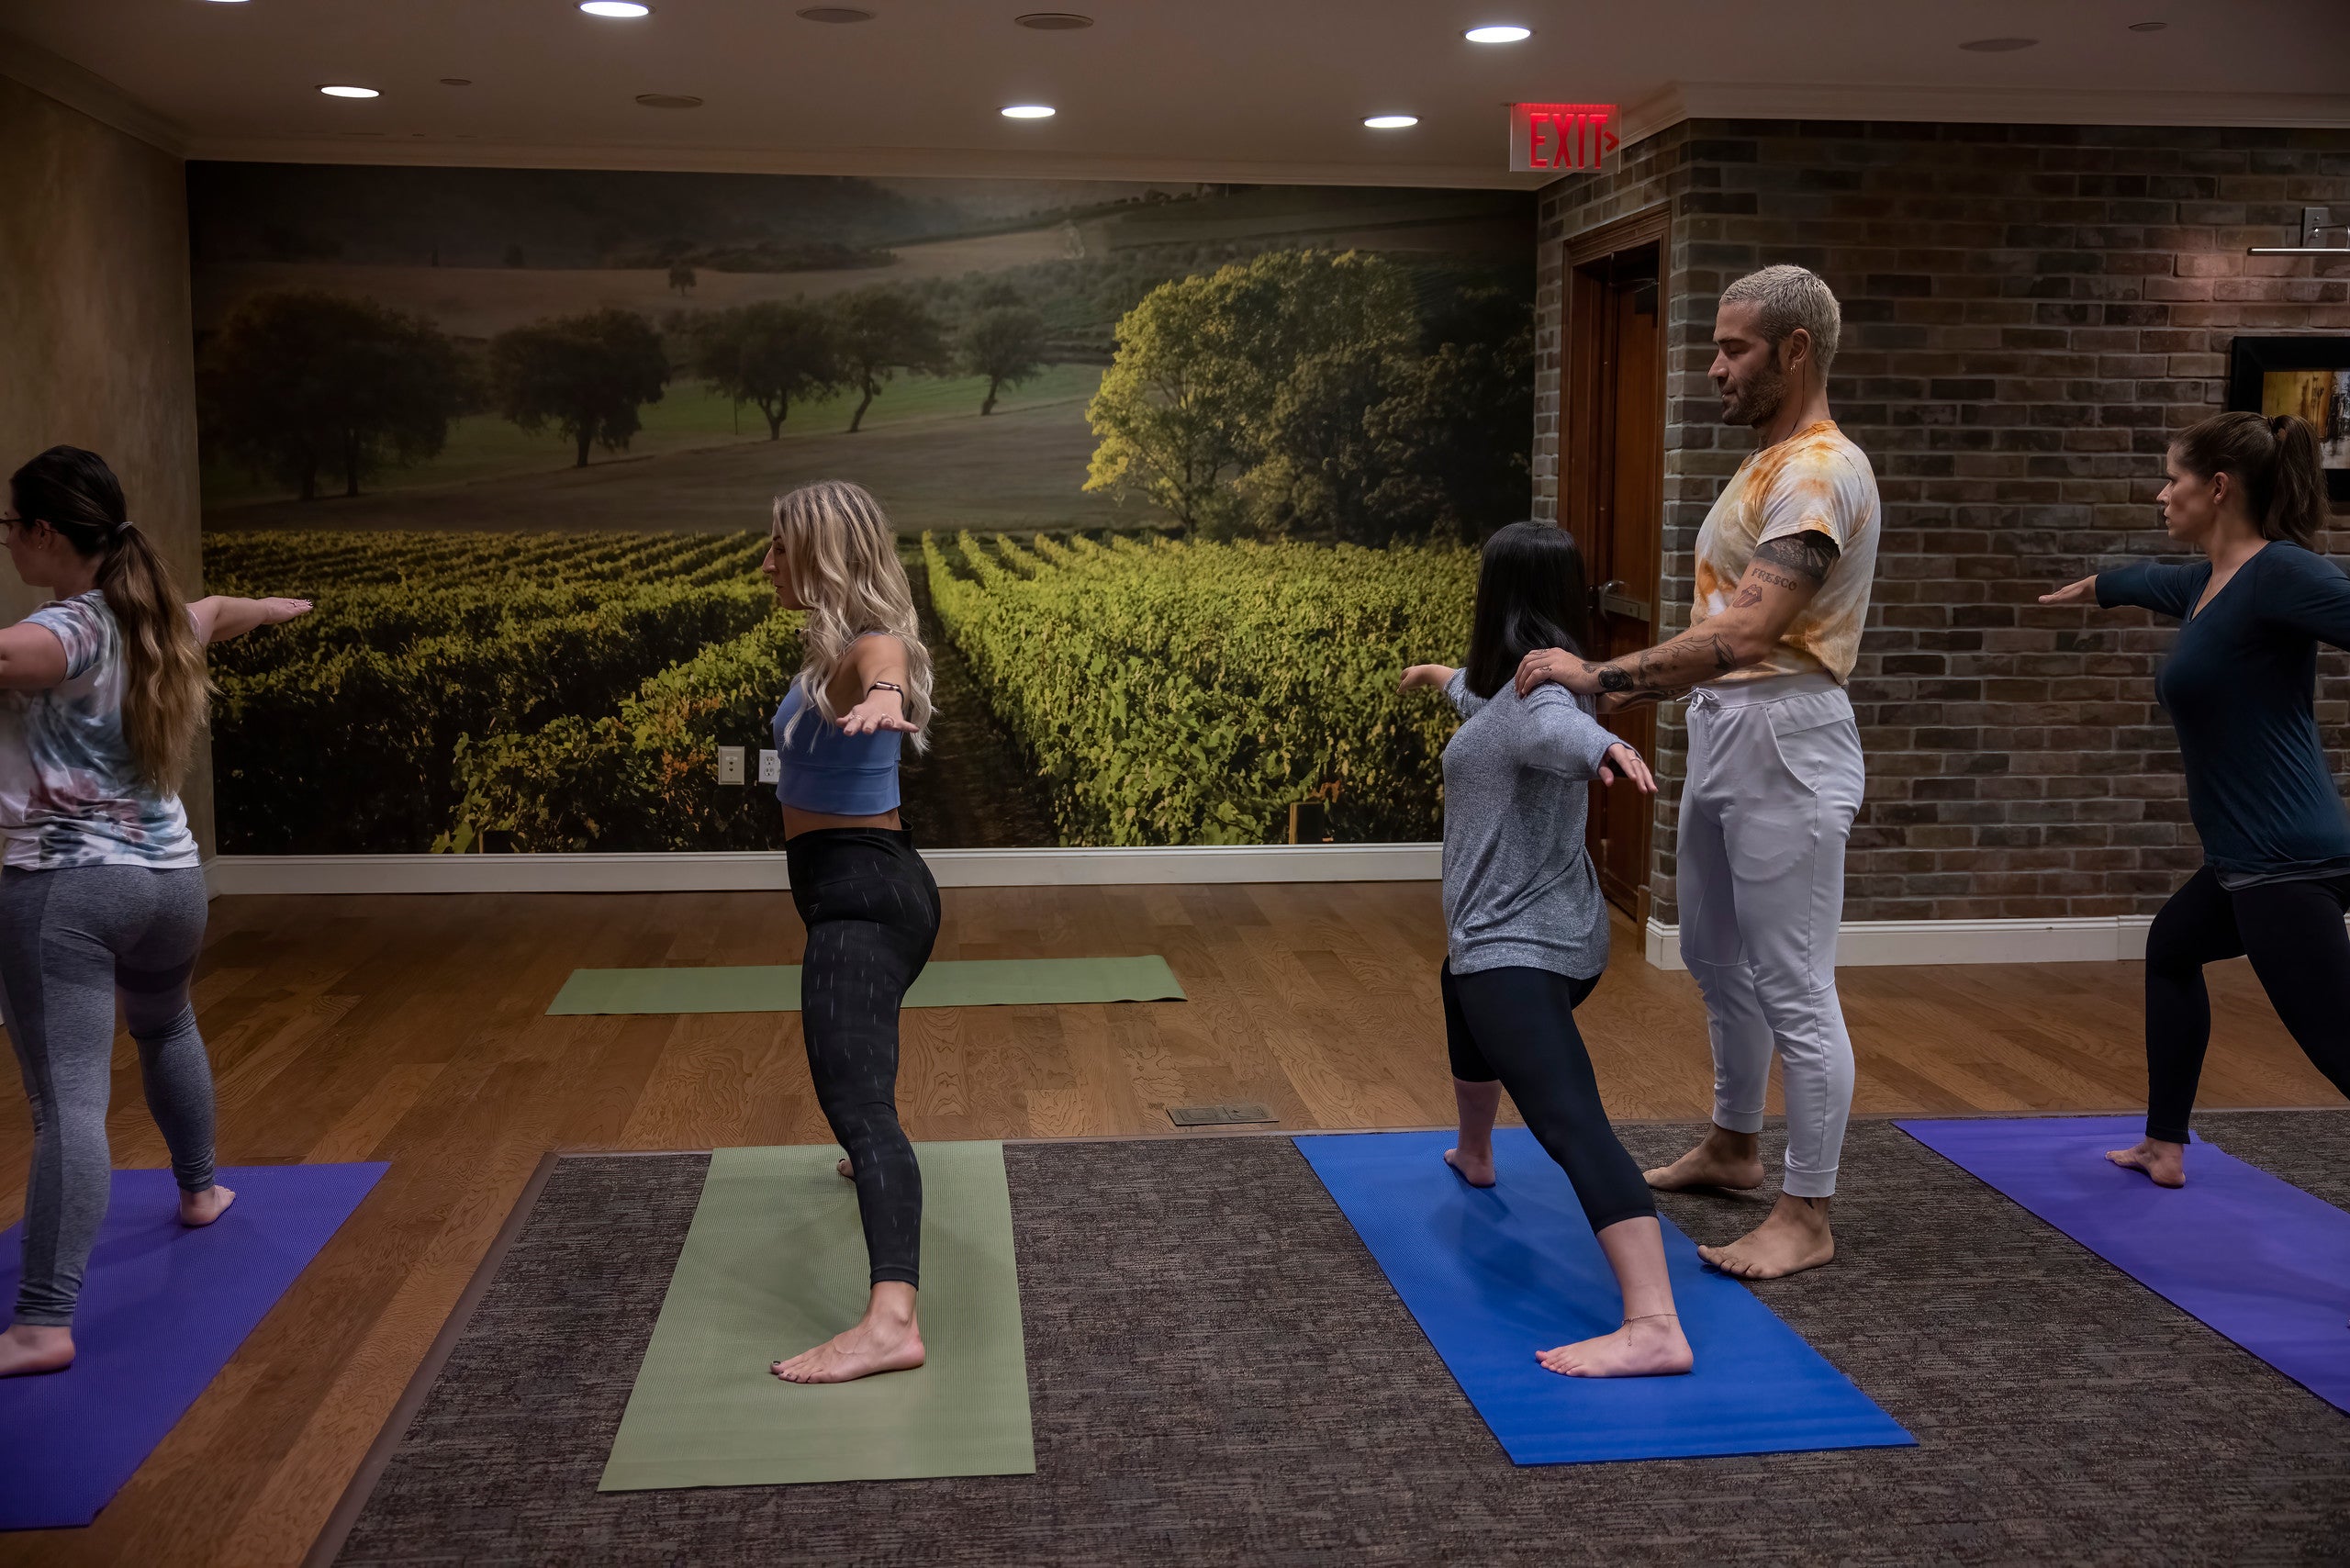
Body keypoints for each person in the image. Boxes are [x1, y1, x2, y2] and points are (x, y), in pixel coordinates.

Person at [1515, 263, 1880, 1281]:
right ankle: (1733, 1144)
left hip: (1785, 733)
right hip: (1728, 728)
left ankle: (1806, 1211)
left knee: (1794, 983)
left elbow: (1752, 627)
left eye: (1734, 349)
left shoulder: (1816, 472)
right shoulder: (1767, 461)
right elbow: (1725, 630)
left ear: (1794, 350)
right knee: (1718, 957)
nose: (1713, 368)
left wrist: (1601, 676)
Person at [0, 445, 310, 1378]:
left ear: (49, 533)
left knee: (69, 1108)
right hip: (172, 884)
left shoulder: (61, 633)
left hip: (68, 892)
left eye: (13, 526)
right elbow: (220, 613)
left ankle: (41, 1323)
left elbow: (19, 654)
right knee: (166, 1023)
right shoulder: (159, 618)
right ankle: (201, 1191)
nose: (10, 541)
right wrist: (277, 609)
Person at [1402, 521, 1689, 1378]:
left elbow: (1557, 731)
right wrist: (1441, 678)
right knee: (1459, 983)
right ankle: (1477, 1153)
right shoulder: (1521, 681)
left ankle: (1654, 1325)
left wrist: (1607, 746)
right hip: (1543, 933)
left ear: (1497, 594)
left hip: (1523, 946)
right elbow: (1495, 709)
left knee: (1568, 1120)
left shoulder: (1544, 699)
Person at [2039, 412, 2347, 1187]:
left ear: (2217, 488)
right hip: (2249, 858)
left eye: (2172, 478)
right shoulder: (2213, 583)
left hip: (2287, 862)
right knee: (2172, 948)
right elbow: (2154, 578)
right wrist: (2101, 587)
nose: (2159, 493)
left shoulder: (2280, 573)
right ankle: (2164, 1144)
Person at [761, 480, 943, 1385]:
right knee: (860, 1082)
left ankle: (890, 1321)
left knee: (862, 1108)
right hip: (874, 884)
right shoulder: (825, 649)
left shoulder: (867, 646)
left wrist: (882, 691)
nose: (766, 564)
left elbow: (887, 655)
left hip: (861, 896)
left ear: (824, 554)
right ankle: (864, 1155)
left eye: (779, 549)